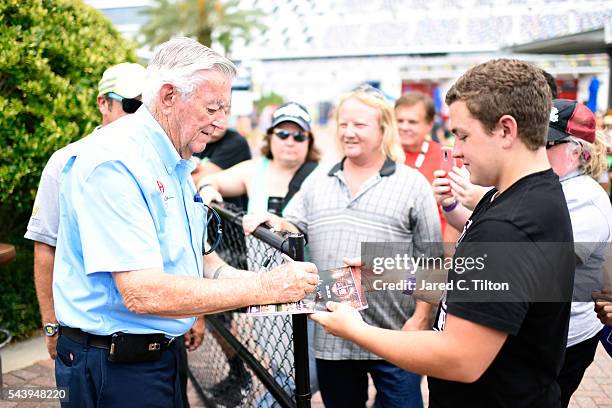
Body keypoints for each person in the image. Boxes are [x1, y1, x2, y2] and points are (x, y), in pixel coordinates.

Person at [51, 37, 318, 408]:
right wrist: (265, 287)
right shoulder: (115, 163)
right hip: (115, 365)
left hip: (158, 354)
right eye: (213, 108)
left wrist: (290, 284)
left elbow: (203, 264)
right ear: (168, 96)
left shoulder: (174, 160)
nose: (221, 122)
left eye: (225, 109)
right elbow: (142, 292)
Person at [310, 59, 575, 407]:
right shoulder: (523, 198)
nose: (458, 150)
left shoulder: (508, 225)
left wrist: (357, 330)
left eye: (463, 135)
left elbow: (459, 358)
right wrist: (391, 272)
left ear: (506, 130)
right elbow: (482, 279)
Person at [244, 86, 441, 408]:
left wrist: (420, 318)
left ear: (382, 129)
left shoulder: (412, 183)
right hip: (334, 332)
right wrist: (277, 222)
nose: (349, 132)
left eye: (360, 125)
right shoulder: (319, 180)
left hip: (396, 333)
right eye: (343, 124)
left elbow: (432, 258)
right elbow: (297, 225)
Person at [197, 102, 321, 404]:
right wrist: (209, 190)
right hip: (265, 287)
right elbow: (211, 180)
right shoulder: (255, 170)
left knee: (311, 372)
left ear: (309, 141)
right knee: (278, 360)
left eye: (298, 136)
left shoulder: (320, 176)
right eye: (283, 134)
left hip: (310, 290)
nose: (290, 141)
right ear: (270, 137)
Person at [24, 62, 149, 360]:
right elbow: (45, 246)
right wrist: (50, 326)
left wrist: (196, 315)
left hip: (157, 338)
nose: (141, 116)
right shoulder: (65, 161)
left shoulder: (162, 163)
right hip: (89, 342)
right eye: (132, 105)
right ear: (102, 103)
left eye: (149, 107)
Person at [394, 92, 459, 247]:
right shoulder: (380, 156)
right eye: (399, 121)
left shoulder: (449, 159)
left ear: (429, 125)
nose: (404, 127)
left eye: (412, 122)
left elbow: (456, 211)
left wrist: (446, 258)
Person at [191, 128, 252, 212]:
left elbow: (198, 179)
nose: (221, 119)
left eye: (226, 114)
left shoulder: (235, 142)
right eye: (212, 113)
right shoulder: (194, 138)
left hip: (227, 216)